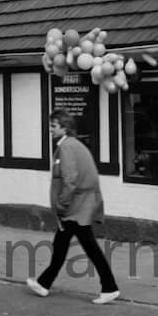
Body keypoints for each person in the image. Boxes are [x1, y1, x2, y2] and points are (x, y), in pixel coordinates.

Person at [26, 110, 120, 304]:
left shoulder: (67, 147)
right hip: (79, 204)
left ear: (65, 128)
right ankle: (44, 283)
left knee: (85, 246)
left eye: (53, 126)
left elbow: (70, 179)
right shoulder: (72, 145)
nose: (50, 129)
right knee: (64, 244)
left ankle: (110, 287)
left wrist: (62, 204)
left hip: (76, 207)